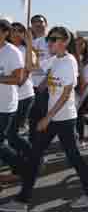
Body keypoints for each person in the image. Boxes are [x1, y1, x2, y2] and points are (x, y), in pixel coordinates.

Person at [0, 27, 88, 211]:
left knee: (74, 157)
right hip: (54, 119)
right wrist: (29, 43)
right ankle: (22, 200)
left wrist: (47, 117)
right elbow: (32, 67)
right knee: (36, 155)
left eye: (54, 39)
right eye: (49, 39)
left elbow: (66, 94)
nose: (50, 43)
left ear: (64, 42)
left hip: (64, 119)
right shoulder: (56, 59)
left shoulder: (69, 62)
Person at [0, 20, 26, 184]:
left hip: (5, 105)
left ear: (5, 33)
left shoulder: (12, 52)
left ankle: (24, 169)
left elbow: (18, 78)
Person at [7, 23, 35, 170]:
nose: (16, 33)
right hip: (9, 99)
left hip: (24, 96)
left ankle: (33, 158)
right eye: (13, 30)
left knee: (12, 134)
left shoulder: (26, 50)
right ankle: (22, 161)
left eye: (20, 31)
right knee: (11, 134)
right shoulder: (5, 49)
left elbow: (29, 69)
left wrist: (30, 45)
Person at [28, 15, 51, 146]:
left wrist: (45, 82)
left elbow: (56, 62)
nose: (37, 24)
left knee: (45, 121)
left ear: (46, 24)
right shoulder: (29, 42)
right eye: (34, 22)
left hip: (45, 87)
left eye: (40, 22)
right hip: (31, 87)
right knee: (33, 121)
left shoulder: (49, 41)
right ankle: (34, 151)